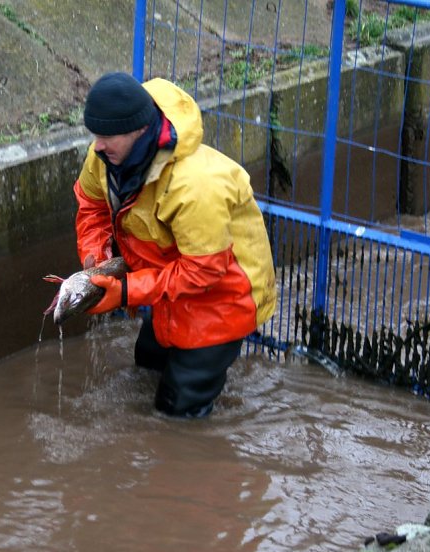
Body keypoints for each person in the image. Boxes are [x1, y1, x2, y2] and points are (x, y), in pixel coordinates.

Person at [73, 71, 278, 418]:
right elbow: (90, 204)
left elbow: (204, 272)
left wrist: (124, 292)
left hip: (224, 298)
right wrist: (96, 256)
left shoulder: (195, 185)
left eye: (107, 137)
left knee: (176, 413)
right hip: (166, 287)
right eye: (95, 135)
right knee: (146, 368)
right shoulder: (105, 157)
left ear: (138, 129)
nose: (97, 146)